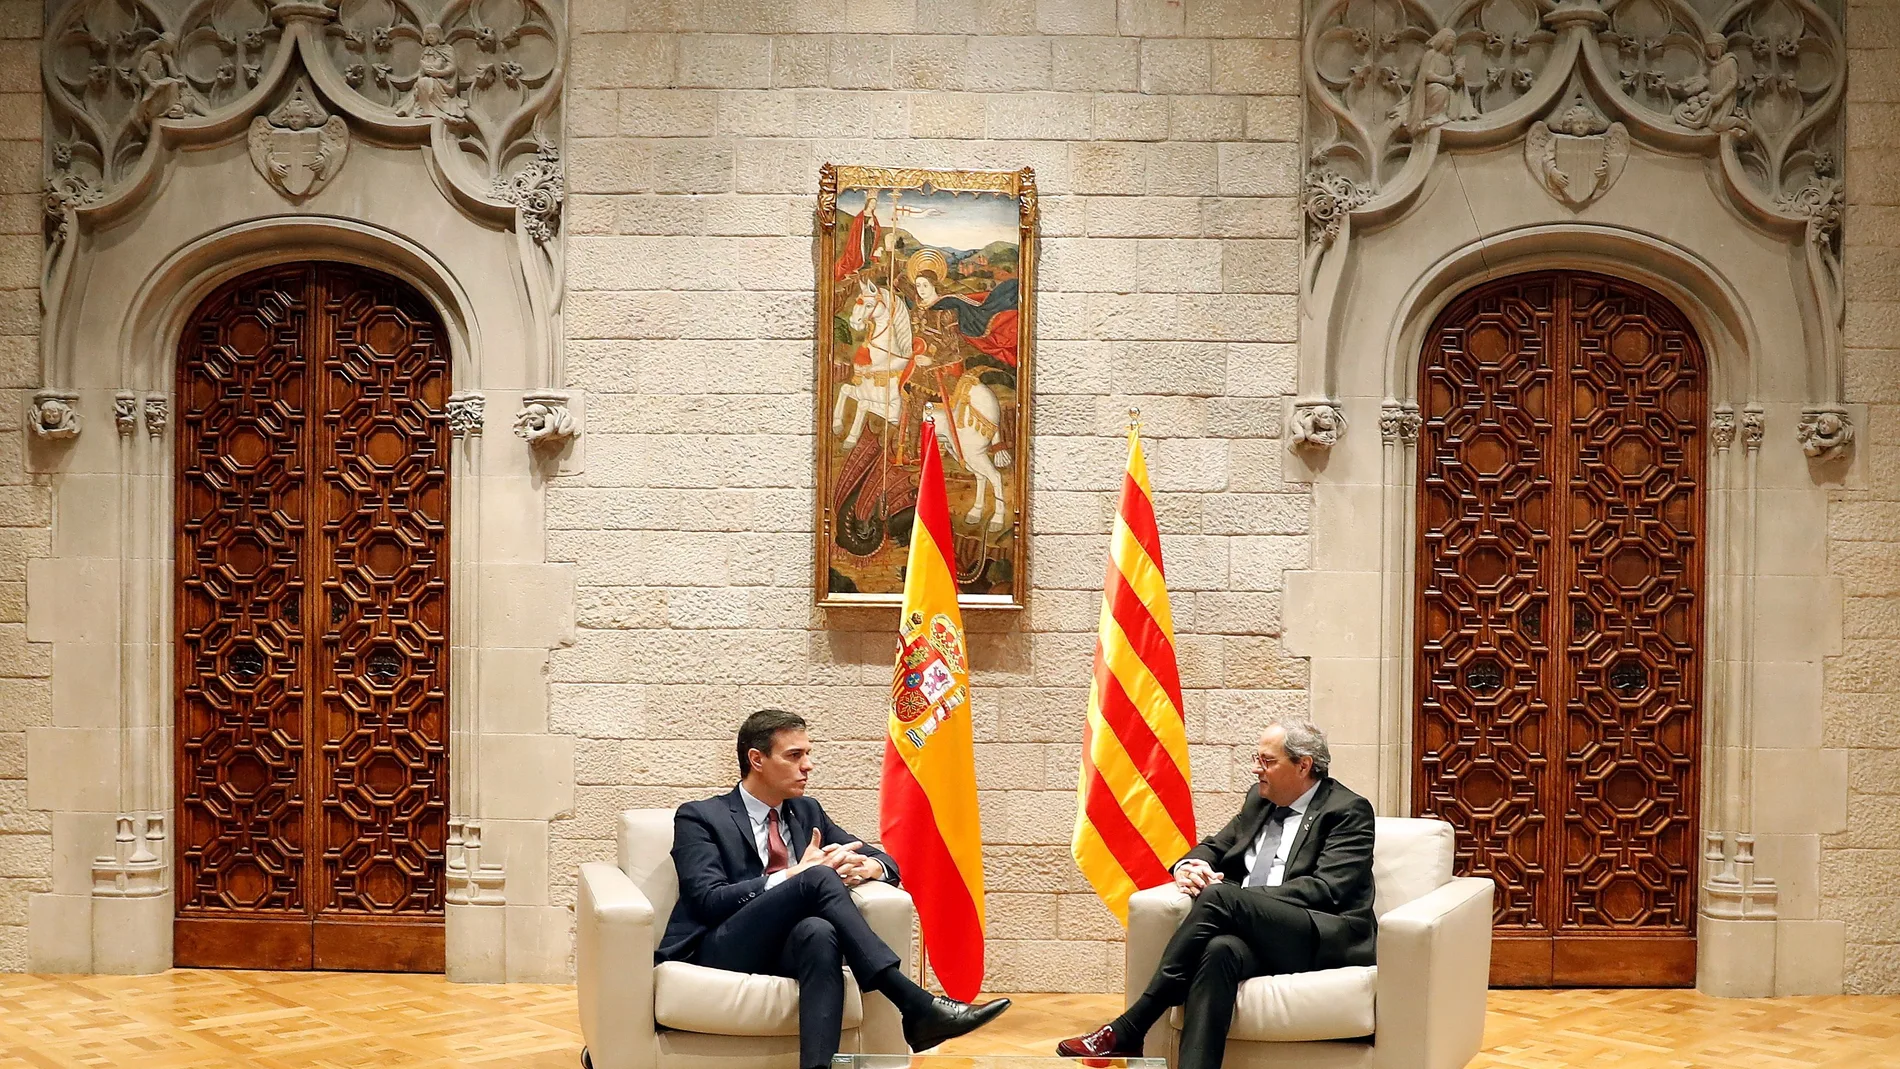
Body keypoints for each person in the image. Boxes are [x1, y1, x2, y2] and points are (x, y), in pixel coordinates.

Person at [654, 709, 1010, 1069]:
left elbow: (885, 861)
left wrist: (869, 866)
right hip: (719, 947)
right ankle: (913, 1002)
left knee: (819, 932)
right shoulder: (700, 817)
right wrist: (796, 875)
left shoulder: (806, 812)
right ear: (756, 759)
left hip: (786, 948)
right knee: (817, 876)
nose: (807, 765)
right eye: (794, 755)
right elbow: (707, 900)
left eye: (808, 754)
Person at [1056, 717, 1376, 1068]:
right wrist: (1189, 867)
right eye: (1257, 759)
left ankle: (1134, 1024)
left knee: (1220, 897)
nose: (1257, 769)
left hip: (1320, 935)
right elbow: (1215, 846)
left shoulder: (1347, 810)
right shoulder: (1260, 800)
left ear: (1304, 765)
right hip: (1256, 933)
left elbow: (1326, 890)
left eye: (1267, 761)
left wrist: (1240, 902)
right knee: (1219, 950)